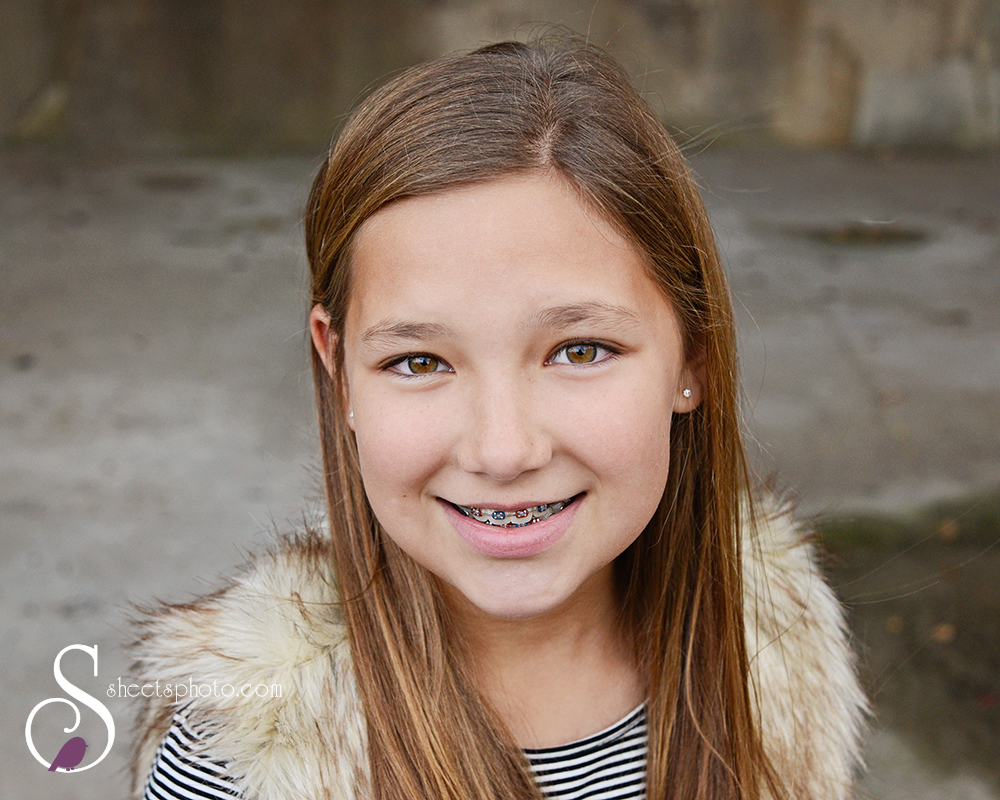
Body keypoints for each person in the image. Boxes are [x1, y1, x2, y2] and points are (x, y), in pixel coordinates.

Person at [131, 38, 867, 800]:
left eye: (580, 350)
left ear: (694, 358)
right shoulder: (240, 762)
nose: (503, 450)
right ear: (338, 369)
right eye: (420, 361)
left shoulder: (778, 650)